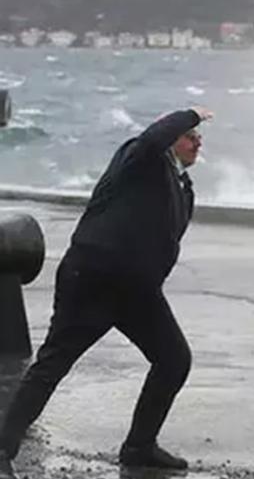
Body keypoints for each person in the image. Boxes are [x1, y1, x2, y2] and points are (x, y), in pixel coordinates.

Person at [0, 107, 213, 479]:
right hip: (92, 281)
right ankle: (3, 446)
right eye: (189, 134)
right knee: (53, 365)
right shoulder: (139, 158)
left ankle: (139, 447)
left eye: (198, 136)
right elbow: (151, 138)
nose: (197, 141)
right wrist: (190, 113)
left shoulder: (183, 186)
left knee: (174, 359)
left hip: (136, 292)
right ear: (170, 136)